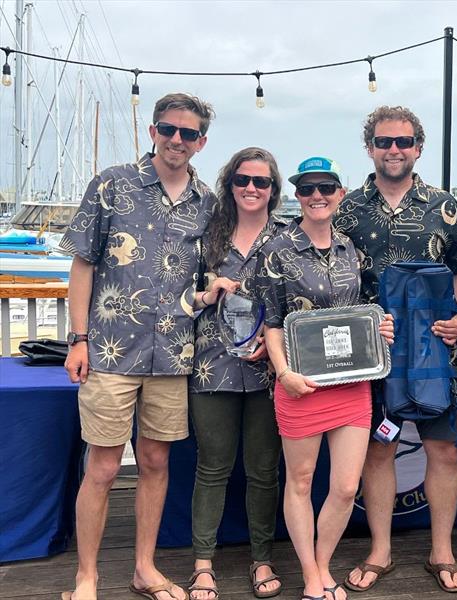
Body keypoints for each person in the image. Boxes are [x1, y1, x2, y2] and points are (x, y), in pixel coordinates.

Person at [59, 93, 215, 600]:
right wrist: (77, 339)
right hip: (108, 350)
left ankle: (144, 568)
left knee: (154, 463)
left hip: (173, 354)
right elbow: (82, 263)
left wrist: (214, 294)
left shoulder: (207, 202)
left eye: (188, 133)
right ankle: (87, 576)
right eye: (168, 129)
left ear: (201, 142)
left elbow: (205, 275)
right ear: (152, 131)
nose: (176, 139)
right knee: (102, 467)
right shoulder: (111, 184)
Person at [335, 106, 457, 594]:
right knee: (378, 449)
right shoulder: (346, 208)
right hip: (374, 356)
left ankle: (442, 550)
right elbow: (337, 282)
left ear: (419, 147)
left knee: (444, 451)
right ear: (370, 146)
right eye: (384, 141)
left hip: (436, 350)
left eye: (404, 141)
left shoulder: (445, 205)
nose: (394, 149)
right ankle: (381, 550)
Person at [258, 156, 394, 600]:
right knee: (300, 481)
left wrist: (382, 329)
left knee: (346, 486)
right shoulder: (276, 250)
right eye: (307, 189)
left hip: (351, 386)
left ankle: (322, 565)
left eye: (326, 188)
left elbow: (364, 314)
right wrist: (283, 373)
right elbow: (272, 322)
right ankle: (312, 577)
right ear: (297, 196)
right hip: (300, 385)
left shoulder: (352, 249)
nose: (316, 196)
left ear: (339, 194)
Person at [186, 148, 287, 600]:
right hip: (211, 368)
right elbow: (181, 295)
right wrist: (209, 293)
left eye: (261, 182)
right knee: (212, 468)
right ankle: (202, 564)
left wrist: (276, 342)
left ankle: (261, 560)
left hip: (270, 372)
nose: (251, 188)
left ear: (273, 190)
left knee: (265, 470)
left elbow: (298, 303)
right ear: (230, 183)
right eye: (243, 179)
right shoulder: (207, 236)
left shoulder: (286, 238)